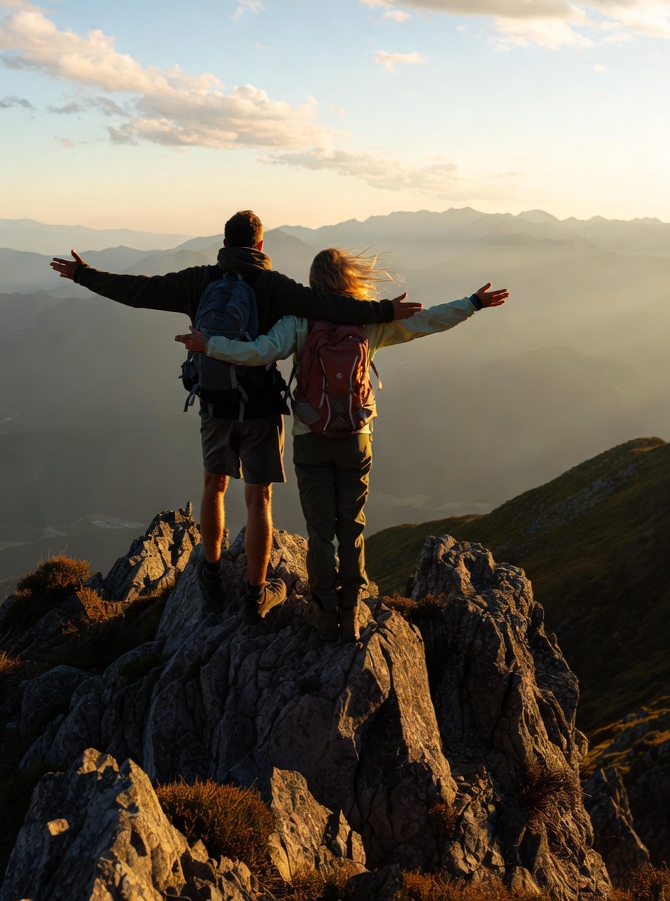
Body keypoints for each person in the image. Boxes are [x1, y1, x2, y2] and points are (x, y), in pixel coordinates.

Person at [50, 213, 423, 626]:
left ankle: (210, 577)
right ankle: (255, 594)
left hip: (215, 402)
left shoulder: (199, 281)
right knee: (257, 498)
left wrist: (84, 274)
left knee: (214, 486)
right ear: (261, 247)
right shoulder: (273, 286)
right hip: (261, 407)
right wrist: (384, 309)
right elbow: (327, 306)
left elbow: (139, 290)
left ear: (224, 242)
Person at [175, 247, 509, 642]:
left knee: (319, 532)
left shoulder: (300, 321)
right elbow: (427, 321)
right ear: (351, 278)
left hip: (310, 437)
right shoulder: (371, 321)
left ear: (314, 284)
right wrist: (472, 303)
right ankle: (351, 613)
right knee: (351, 528)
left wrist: (208, 345)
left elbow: (258, 352)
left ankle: (324, 612)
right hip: (357, 438)